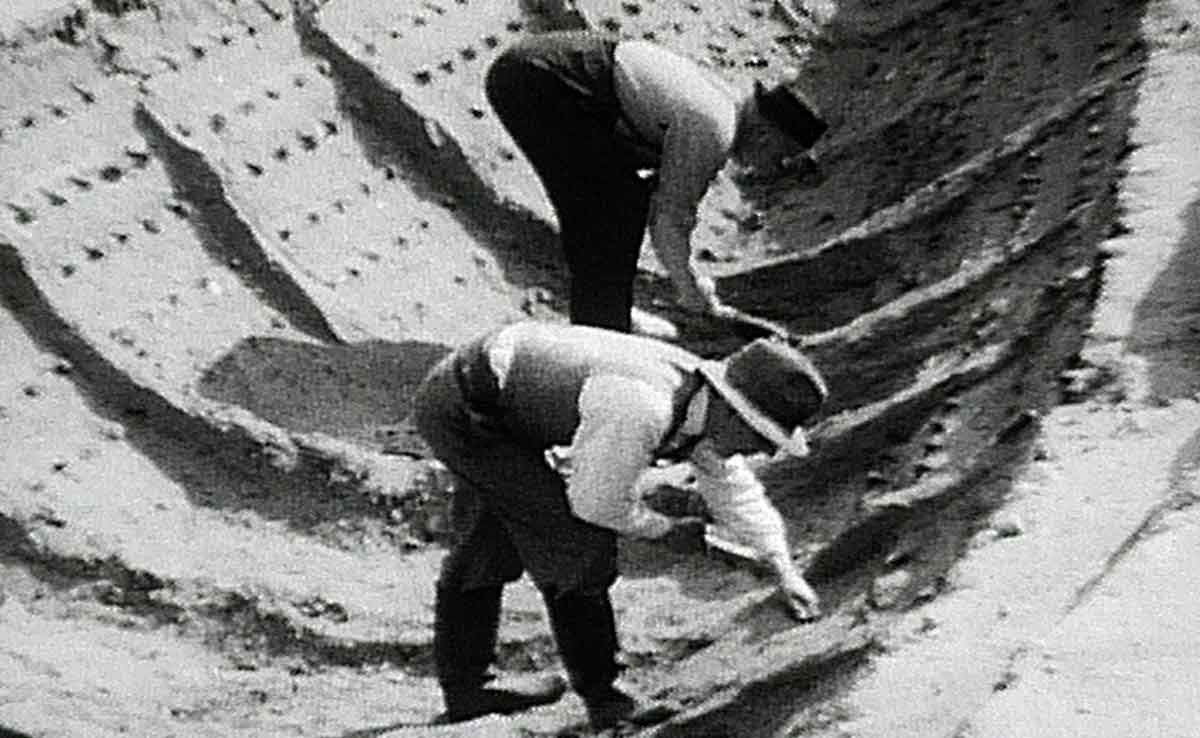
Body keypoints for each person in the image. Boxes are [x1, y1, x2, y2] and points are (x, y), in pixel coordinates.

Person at [413, 321, 827, 728]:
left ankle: (468, 692)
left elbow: (735, 491)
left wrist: (783, 568)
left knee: (492, 542)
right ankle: (608, 700)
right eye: (763, 437)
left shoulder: (702, 404)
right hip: (465, 409)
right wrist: (666, 531)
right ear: (735, 414)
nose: (765, 452)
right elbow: (595, 505)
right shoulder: (643, 407)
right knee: (578, 547)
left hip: (497, 399)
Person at [484, 28, 828, 335]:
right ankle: (602, 326)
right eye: (782, 156)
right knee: (614, 206)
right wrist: (691, 290)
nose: (775, 166)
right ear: (767, 135)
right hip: (540, 80)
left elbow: (659, 200)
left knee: (617, 199)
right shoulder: (714, 128)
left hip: (553, 74)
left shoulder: (724, 104)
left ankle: (605, 314)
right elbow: (669, 220)